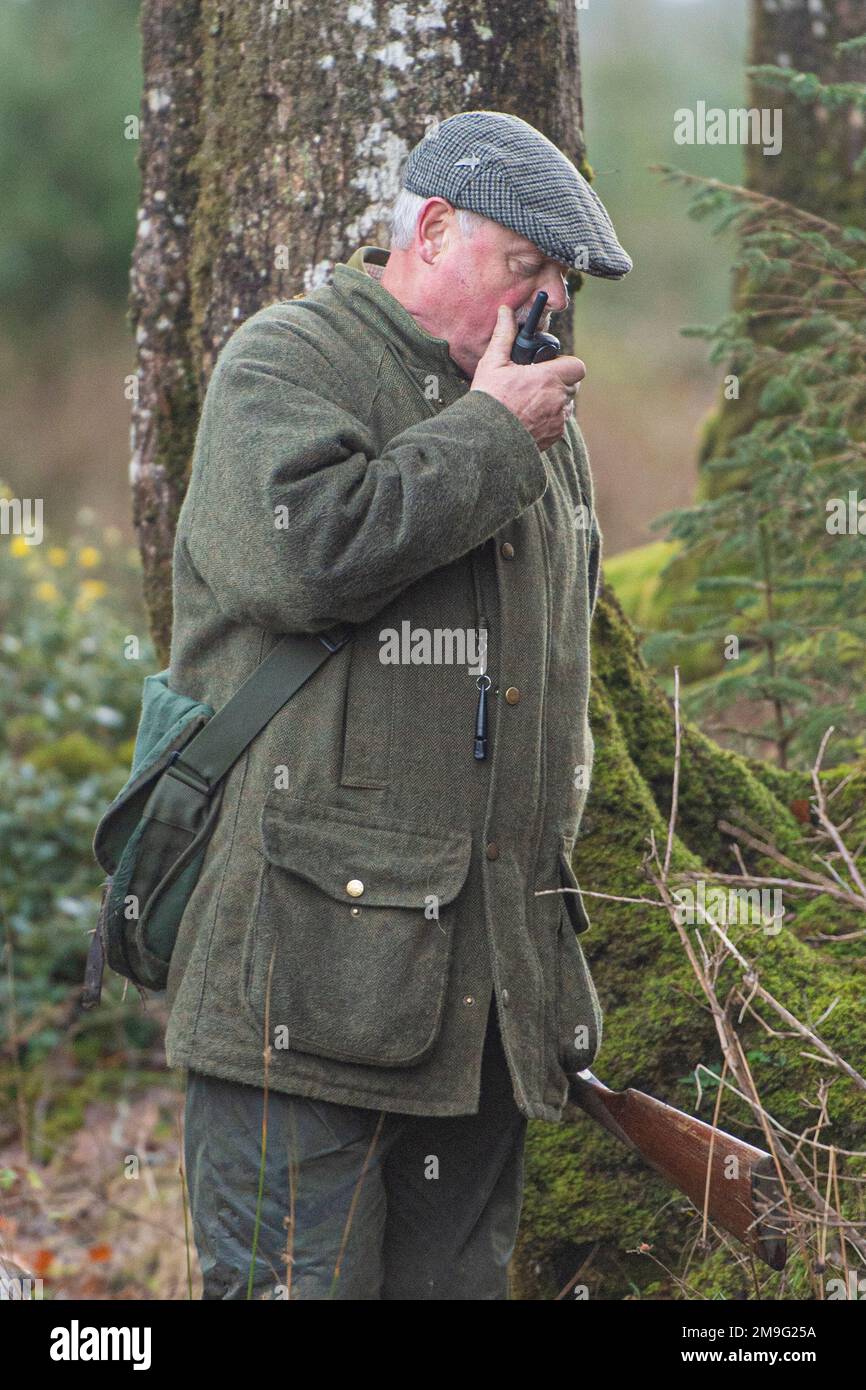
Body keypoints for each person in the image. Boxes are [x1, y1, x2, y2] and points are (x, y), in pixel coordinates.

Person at [166, 110, 632, 1299]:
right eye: (527, 269)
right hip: (302, 993)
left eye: (561, 284)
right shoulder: (289, 359)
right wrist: (488, 434)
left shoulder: (533, 419)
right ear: (431, 229)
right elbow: (301, 558)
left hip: (483, 1015)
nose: (549, 308)